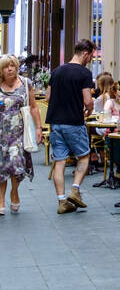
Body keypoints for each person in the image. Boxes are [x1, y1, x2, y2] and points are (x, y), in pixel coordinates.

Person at [46, 39, 95, 214]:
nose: (90, 60)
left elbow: (48, 97)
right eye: (91, 56)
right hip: (74, 122)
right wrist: (89, 110)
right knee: (83, 156)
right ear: (85, 53)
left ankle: (61, 202)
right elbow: (88, 100)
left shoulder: (57, 71)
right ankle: (75, 189)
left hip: (55, 123)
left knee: (59, 161)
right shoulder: (84, 73)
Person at [0, 54, 42, 214]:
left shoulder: (25, 84)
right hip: (1, 132)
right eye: (6, 66)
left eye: (12, 65)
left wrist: (39, 128)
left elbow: (33, 107)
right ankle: (1, 198)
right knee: (2, 166)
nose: (10, 69)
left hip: (19, 132)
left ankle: (14, 191)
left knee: (16, 164)